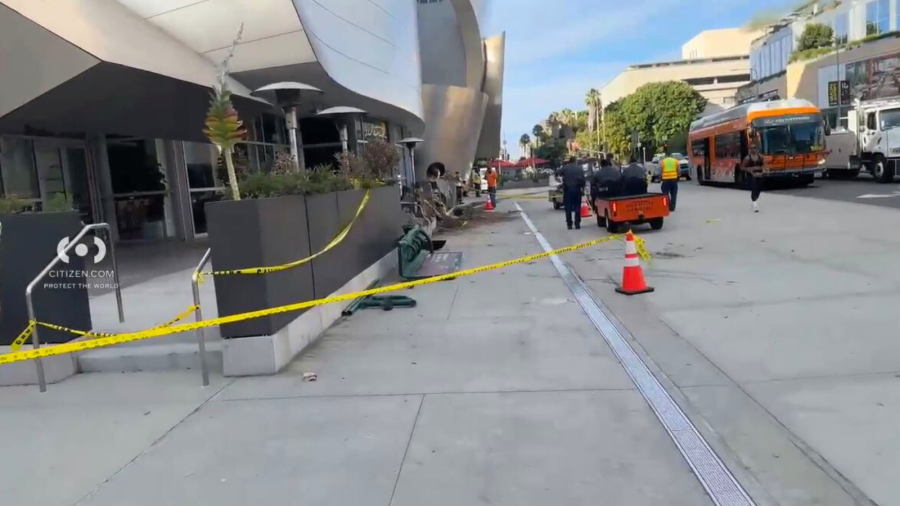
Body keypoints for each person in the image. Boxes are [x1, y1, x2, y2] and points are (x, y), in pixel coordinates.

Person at [559, 156, 586, 230]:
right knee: (577, 207)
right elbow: (583, 180)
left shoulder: (565, 168)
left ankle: (569, 224)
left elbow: (557, 173)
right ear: (575, 161)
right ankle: (577, 224)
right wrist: (582, 189)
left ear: (569, 161)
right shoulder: (580, 168)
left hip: (567, 190)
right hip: (577, 190)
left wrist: (561, 182)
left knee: (568, 208)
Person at [742, 142, 765, 213]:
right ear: (750, 149)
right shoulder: (747, 158)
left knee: (759, 189)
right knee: (754, 188)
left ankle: (755, 200)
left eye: (755, 147)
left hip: (760, 174)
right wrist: (749, 170)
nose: (754, 149)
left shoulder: (760, 157)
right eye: (752, 148)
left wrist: (764, 171)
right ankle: (754, 204)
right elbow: (742, 167)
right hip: (751, 175)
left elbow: (765, 165)